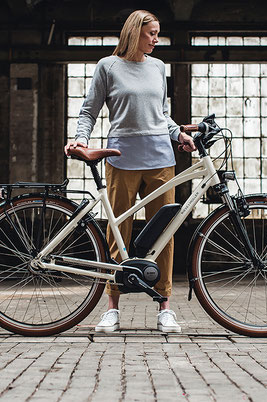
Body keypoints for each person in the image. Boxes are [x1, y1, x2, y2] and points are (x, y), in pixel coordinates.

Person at [65, 10, 196, 334]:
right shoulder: (107, 67)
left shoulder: (157, 67)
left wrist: (178, 133)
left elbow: (161, 115)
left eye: (158, 33)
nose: (155, 39)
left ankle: (164, 306)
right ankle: (113, 307)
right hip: (121, 159)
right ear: (134, 33)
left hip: (161, 161)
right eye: (151, 33)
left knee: (163, 236)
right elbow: (89, 110)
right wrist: (81, 139)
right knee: (118, 232)